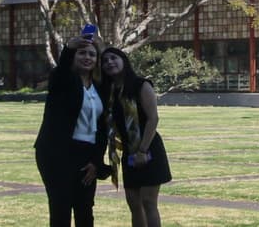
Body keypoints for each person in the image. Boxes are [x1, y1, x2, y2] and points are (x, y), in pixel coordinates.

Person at [35, 35, 109, 227]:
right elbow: (61, 70)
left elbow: (102, 129)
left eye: (92, 54)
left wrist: (96, 161)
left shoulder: (100, 87)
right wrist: (69, 48)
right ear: (73, 57)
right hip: (57, 153)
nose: (87, 57)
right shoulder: (63, 81)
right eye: (82, 53)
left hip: (87, 152)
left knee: (85, 208)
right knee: (61, 207)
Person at [100, 47, 172, 227]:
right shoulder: (109, 91)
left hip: (148, 148)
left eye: (114, 58)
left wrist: (142, 150)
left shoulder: (141, 85)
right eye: (105, 60)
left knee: (148, 202)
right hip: (129, 152)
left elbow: (153, 119)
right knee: (133, 203)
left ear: (124, 60)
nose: (109, 62)